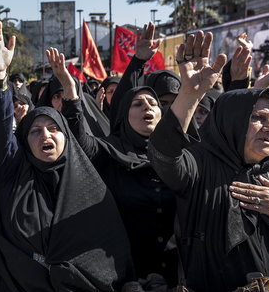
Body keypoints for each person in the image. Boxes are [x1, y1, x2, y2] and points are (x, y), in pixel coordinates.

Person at [0, 20, 132, 291]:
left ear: (67, 137)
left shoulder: (90, 186)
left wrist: (71, 91)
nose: (45, 136)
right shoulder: (13, 177)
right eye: (35, 132)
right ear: (24, 142)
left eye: (53, 129)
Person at [149, 31, 269, 291]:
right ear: (234, 121)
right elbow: (163, 154)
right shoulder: (199, 166)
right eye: (258, 118)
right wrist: (189, 95)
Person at [56, 27, 180, 286]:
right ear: (124, 115)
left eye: (154, 104)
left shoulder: (178, 155)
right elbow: (81, 141)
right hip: (125, 276)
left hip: (177, 273)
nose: (148, 107)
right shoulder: (109, 153)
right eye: (138, 104)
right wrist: (71, 93)